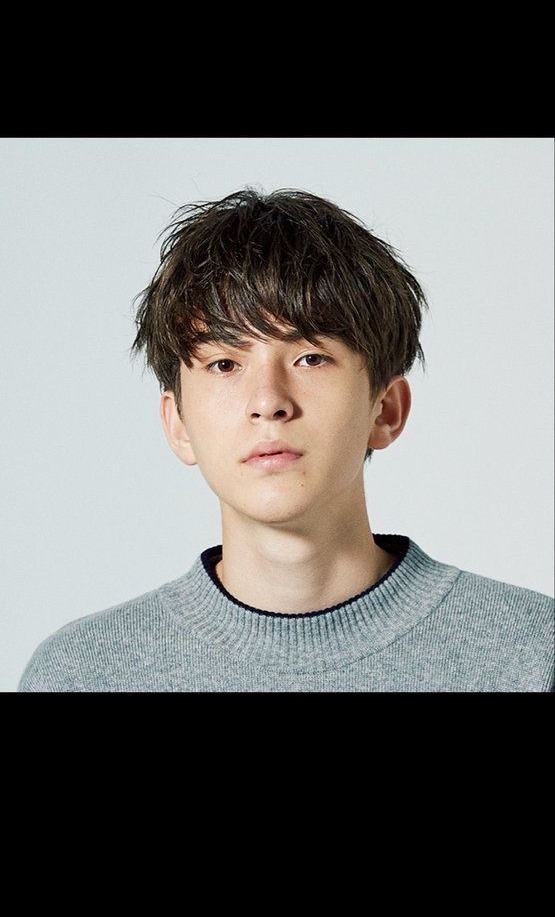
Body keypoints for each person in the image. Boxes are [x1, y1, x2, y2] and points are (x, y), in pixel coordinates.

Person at [18, 187, 554, 692]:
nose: (268, 401)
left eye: (310, 358)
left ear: (386, 409)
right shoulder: (83, 672)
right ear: (177, 423)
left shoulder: (531, 653)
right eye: (225, 364)